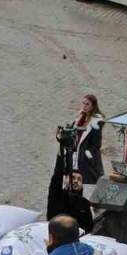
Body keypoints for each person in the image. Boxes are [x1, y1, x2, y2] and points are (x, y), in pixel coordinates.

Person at [47, 95, 104, 231]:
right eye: (83, 103)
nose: (84, 106)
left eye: (87, 104)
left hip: (85, 160)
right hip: (74, 157)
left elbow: (96, 144)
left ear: (93, 106)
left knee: (82, 186)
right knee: (70, 184)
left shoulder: (96, 122)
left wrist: (88, 153)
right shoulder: (79, 118)